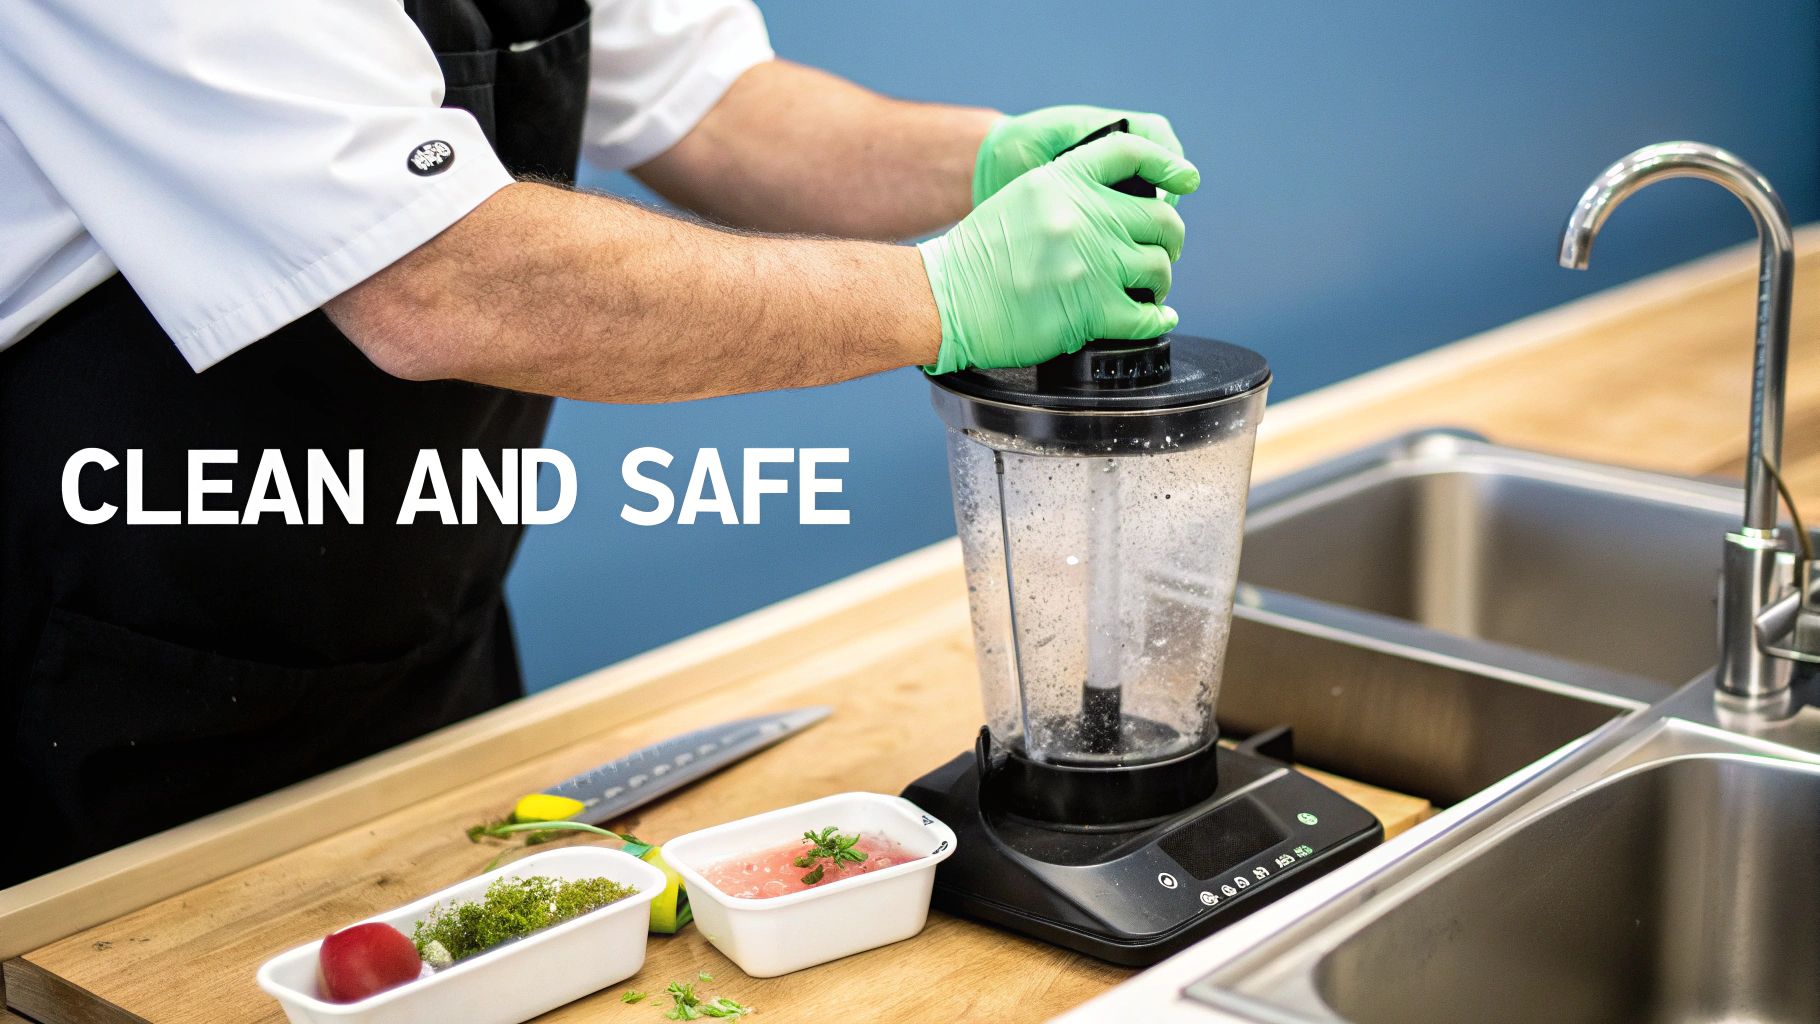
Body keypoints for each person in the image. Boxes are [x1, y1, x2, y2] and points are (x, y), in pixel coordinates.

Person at [0, 0, 1197, 884]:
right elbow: (436, 279)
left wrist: (983, 162)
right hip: (96, 676)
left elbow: (711, 105)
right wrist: (942, 293)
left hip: (411, 633)